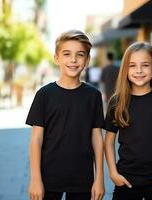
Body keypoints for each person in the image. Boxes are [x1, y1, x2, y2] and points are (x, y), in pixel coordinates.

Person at [26, 30, 105, 200]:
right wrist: (35, 179)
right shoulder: (44, 95)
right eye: (67, 54)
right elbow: (36, 139)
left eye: (80, 55)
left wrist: (99, 178)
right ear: (57, 58)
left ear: (88, 60)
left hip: (82, 178)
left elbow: (97, 138)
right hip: (48, 178)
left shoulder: (93, 96)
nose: (73, 60)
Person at [104, 42, 152, 200]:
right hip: (126, 180)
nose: (138, 70)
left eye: (145, 65)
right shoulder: (116, 102)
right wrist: (113, 173)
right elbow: (108, 141)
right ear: (126, 70)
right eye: (132, 65)